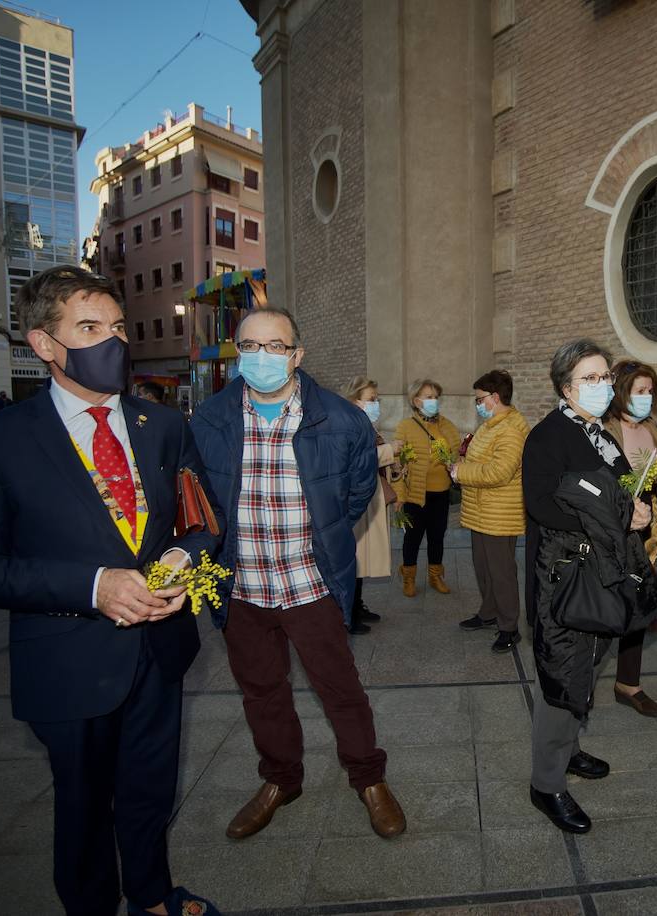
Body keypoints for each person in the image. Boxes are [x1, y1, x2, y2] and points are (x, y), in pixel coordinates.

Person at [0, 266, 225, 916]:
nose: (112, 342)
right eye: (90, 328)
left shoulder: (162, 426)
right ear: (45, 343)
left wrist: (181, 559)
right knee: (84, 806)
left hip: (160, 651)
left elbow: (203, 518)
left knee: (150, 789)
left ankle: (152, 893)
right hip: (68, 659)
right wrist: (92, 586)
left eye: (117, 327)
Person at [190, 306, 406, 842]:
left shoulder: (342, 419)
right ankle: (281, 780)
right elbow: (201, 498)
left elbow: (356, 494)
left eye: (275, 346)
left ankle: (369, 778)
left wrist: (323, 537)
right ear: (238, 352)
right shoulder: (209, 418)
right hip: (242, 588)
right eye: (250, 346)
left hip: (311, 584)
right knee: (262, 693)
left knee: (341, 689)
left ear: (296, 355)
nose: (261, 357)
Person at [523, 339, 656, 834]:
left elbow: (619, 493)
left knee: (589, 663)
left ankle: (569, 750)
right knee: (562, 673)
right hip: (564, 578)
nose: (602, 386)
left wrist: (637, 511)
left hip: (602, 573)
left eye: (605, 377)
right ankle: (546, 783)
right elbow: (542, 505)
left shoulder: (600, 434)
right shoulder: (549, 435)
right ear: (566, 387)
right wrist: (612, 519)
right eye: (590, 378)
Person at [600, 360, 657, 719]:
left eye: (650, 391)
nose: (647, 397)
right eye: (639, 391)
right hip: (613, 525)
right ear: (621, 393)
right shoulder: (602, 430)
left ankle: (628, 684)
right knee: (604, 602)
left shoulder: (654, 430)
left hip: (651, 527)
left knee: (638, 603)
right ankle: (581, 681)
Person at [451, 369, 529, 652]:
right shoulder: (491, 424)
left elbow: (500, 472)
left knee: (501, 572)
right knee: (484, 568)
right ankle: (489, 613)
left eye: (479, 399)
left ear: (495, 397)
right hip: (481, 511)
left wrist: (461, 472)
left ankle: (509, 627)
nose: (477, 404)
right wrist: (462, 462)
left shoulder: (511, 429)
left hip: (499, 514)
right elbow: (482, 459)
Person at [393, 378, 462, 597]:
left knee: (437, 537)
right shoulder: (405, 427)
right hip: (415, 495)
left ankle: (435, 576)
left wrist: (454, 460)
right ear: (416, 401)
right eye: (429, 397)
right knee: (412, 538)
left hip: (440, 493)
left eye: (436, 397)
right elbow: (397, 465)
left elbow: (458, 454)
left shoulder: (446, 425)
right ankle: (409, 577)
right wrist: (399, 496)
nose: (434, 401)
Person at [345, 376, 394, 635]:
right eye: (371, 399)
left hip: (368, 496)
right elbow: (357, 459)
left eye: (377, 399)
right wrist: (390, 451)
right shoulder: (349, 426)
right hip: (355, 500)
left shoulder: (365, 425)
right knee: (354, 556)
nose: (376, 404)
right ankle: (349, 613)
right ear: (355, 401)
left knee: (361, 557)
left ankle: (358, 605)